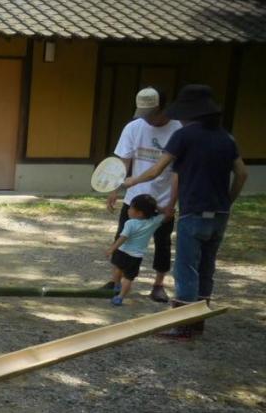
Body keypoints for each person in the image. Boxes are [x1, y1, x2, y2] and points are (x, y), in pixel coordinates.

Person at [122, 84, 248, 340]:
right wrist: (228, 201)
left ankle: (183, 325)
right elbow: (242, 174)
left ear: (189, 113)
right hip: (220, 212)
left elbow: (158, 170)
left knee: (186, 267)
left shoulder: (184, 135)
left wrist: (130, 182)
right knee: (206, 266)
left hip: (194, 210)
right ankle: (198, 319)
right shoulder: (226, 137)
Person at [105, 87, 181, 303]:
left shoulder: (178, 130)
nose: (148, 120)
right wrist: (115, 188)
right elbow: (124, 160)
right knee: (122, 236)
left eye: (152, 114)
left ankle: (158, 285)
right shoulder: (134, 127)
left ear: (164, 108)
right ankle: (115, 281)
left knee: (162, 243)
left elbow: (178, 172)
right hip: (135, 198)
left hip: (163, 198)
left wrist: (171, 205)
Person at [105, 194, 163, 306]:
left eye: (131, 208)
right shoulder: (154, 222)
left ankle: (117, 285)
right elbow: (164, 214)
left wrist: (112, 249)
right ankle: (120, 297)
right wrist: (155, 207)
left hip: (122, 252)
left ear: (139, 213)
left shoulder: (130, 223)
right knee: (128, 278)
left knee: (117, 268)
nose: (129, 210)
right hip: (136, 256)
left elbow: (122, 238)